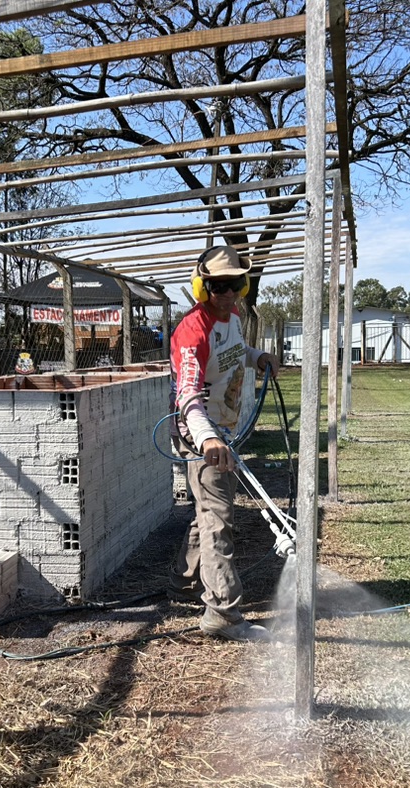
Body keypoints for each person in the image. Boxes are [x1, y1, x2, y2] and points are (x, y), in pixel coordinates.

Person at [168, 245, 280, 642]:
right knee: (218, 518)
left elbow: (233, 352)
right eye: (217, 286)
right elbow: (187, 394)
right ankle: (223, 613)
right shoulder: (192, 331)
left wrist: (257, 356)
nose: (227, 293)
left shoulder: (232, 318)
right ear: (203, 286)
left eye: (234, 284)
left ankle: (183, 580)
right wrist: (208, 437)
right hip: (200, 434)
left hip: (222, 431)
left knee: (209, 510)